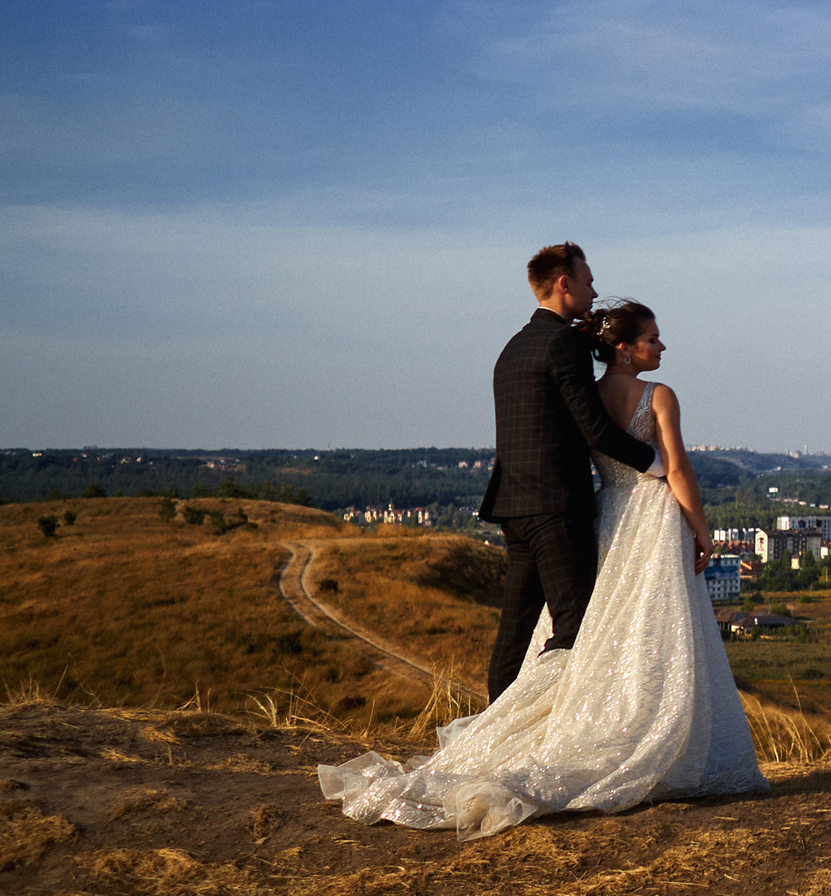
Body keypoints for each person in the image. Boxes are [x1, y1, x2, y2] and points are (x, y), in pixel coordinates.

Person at [318, 297, 765, 839]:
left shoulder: (591, 396)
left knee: (603, 626)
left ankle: (575, 724)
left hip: (605, 515)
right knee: (654, 634)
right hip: (650, 515)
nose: (662, 345)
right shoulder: (659, 396)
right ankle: (647, 736)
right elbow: (677, 467)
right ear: (623, 349)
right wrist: (700, 526)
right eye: (652, 338)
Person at [475, 242, 661, 702]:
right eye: (588, 280)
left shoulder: (513, 347)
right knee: (575, 626)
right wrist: (656, 465)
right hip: (556, 507)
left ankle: (493, 734)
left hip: (514, 507)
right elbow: (595, 429)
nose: (594, 291)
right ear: (565, 283)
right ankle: (540, 730)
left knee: (514, 633)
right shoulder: (563, 344)